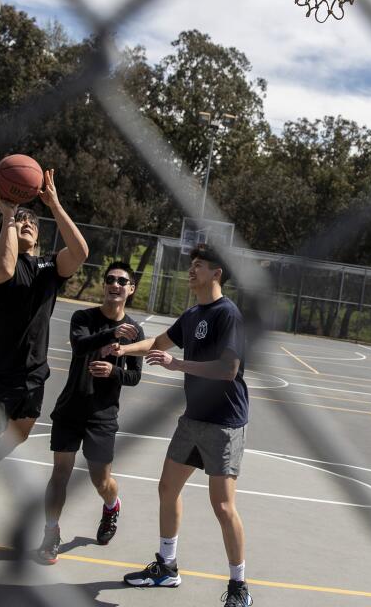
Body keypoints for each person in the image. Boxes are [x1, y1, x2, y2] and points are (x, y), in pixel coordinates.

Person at [0, 169, 89, 575]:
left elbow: (80, 252)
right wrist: (8, 213)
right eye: (19, 222)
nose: (25, 224)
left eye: (30, 223)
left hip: (32, 376)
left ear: (39, 237)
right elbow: (4, 271)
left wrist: (53, 204)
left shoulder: (48, 269)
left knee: (21, 433)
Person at [113, 244, 253, 607]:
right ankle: (167, 566)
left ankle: (239, 586)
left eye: (199, 265)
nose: (191, 270)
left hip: (224, 423)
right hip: (193, 420)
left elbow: (228, 370)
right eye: (191, 265)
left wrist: (178, 366)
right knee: (167, 489)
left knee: (222, 507)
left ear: (217, 273)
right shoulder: (192, 315)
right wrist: (123, 350)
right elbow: (158, 343)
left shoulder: (228, 314)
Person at [34, 260, 144, 564]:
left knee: (100, 480)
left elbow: (134, 377)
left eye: (123, 281)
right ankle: (51, 531)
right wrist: (111, 336)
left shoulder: (135, 332)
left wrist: (113, 372)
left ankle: (112, 506)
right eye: (111, 279)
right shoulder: (83, 317)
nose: (115, 285)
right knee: (60, 474)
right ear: (104, 285)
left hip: (102, 415)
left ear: (131, 289)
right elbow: (80, 346)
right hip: (70, 409)